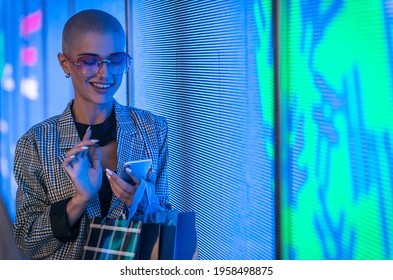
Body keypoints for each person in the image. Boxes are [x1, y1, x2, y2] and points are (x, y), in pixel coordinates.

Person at [13, 9, 170, 260]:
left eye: (115, 59)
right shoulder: (35, 143)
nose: (105, 73)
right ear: (65, 63)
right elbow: (25, 242)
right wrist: (79, 200)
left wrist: (143, 203)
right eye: (89, 60)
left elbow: (165, 222)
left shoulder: (152, 129)